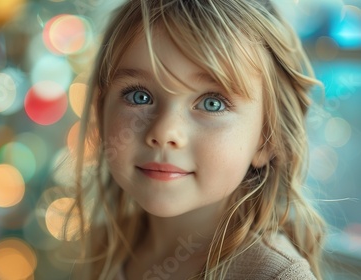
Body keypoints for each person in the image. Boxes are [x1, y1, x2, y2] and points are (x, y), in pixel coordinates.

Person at [58, 0, 326, 279]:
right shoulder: (101, 247)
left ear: (267, 139)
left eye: (212, 103)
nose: (164, 132)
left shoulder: (274, 275)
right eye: (140, 96)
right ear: (101, 112)